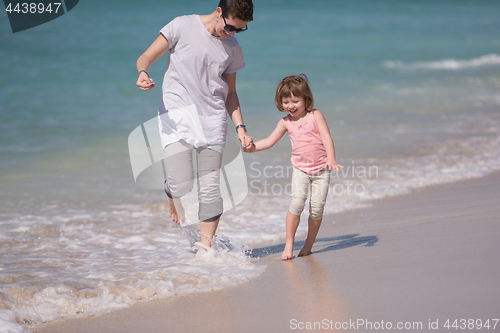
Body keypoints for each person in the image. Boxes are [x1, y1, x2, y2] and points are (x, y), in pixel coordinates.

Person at [135, 0, 254, 251]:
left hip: (212, 118)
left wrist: (240, 128)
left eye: (240, 30)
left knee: (210, 188)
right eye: (231, 27)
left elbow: (231, 93)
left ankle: (205, 250)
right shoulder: (182, 26)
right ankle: (171, 193)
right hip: (176, 115)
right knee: (181, 184)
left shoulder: (232, 48)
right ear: (219, 12)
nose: (232, 34)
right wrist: (143, 73)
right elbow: (146, 56)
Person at [246, 74, 343, 260]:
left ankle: (308, 245)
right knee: (296, 203)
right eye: (286, 101)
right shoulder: (285, 122)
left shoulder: (316, 115)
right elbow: (269, 141)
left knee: (316, 208)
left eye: (295, 100)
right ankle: (289, 243)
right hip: (300, 170)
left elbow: (326, 136)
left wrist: (331, 158)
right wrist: (251, 149)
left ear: (306, 98)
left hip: (321, 170)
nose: (291, 105)